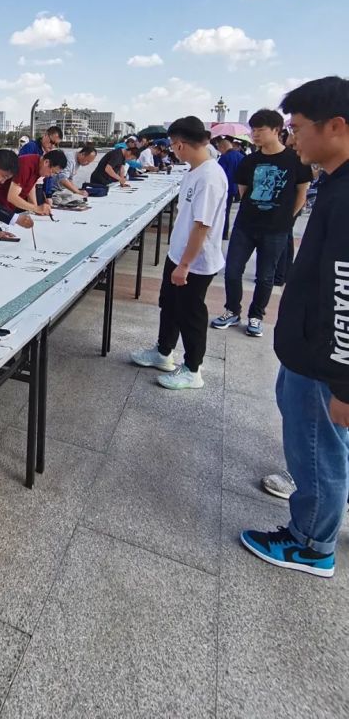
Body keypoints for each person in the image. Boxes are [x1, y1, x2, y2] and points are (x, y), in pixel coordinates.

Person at [241, 76, 349, 578]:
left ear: (336, 126)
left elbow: (345, 292)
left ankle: (311, 543)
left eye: (298, 128)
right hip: (310, 347)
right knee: (319, 444)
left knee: (315, 445)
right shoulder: (336, 182)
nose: (293, 138)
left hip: (321, 357)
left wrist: (344, 382)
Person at [130, 115, 228, 389]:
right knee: (169, 306)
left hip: (194, 262)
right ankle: (163, 353)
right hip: (178, 255)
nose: (172, 150)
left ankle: (193, 370)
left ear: (181, 144)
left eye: (173, 145)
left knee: (190, 314)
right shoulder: (194, 171)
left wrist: (185, 265)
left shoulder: (209, 177)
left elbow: (202, 226)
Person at [210, 109, 312, 338]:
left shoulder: (296, 160)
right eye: (253, 130)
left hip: (276, 230)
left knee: (265, 276)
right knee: (232, 271)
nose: (255, 135)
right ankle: (232, 310)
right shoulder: (249, 161)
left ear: (277, 131)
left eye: (260, 130)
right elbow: (244, 191)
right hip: (245, 225)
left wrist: (286, 220)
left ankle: (256, 316)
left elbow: (301, 194)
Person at [0, 150, 67, 219]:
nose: (51, 175)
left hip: (10, 207)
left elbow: (30, 187)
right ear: (46, 162)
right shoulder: (26, 166)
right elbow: (12, 197)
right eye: (52, 172)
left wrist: (36, 208)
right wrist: (36, 208)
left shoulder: (39, 165)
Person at [19, 125, 63, 200]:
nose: (52, 146)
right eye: (52, 142)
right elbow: (22, 171)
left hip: (40, 190)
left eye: (56, 144)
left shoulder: (51, 154)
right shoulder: (30, 147)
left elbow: (49, 175)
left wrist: (48, 195)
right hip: (26, 190)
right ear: (45, 135)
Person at [215, 136, 245, 239]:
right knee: (227, 211)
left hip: (224, 188)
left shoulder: (225, 158)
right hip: (235, 188)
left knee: (222, 212)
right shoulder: (241, 156)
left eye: (219, 149)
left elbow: (219, 173)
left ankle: (222, 233)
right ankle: (225, 233)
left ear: (222, 147)